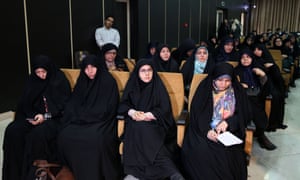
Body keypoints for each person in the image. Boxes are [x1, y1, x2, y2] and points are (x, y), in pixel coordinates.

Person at [2, 55, 71, 180]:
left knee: (38, 134)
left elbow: (64, 106)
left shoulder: (58, 79)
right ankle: (14, 175)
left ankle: (35, 174)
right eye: (37, 72)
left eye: (43, 72)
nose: (41, 75)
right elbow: (25, 104)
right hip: (34, 117)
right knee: (13, 130)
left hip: (55, 118)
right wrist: (33, 116)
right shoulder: (33, 81)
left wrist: (45, 116)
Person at [57, 54, 122, 180]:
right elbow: (73, 104)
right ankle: (73, 173)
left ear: (98, 67)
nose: (90, 71)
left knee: (95, 139)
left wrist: (86, 116)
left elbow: (108, 108)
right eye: (86, 68)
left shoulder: (108, 81)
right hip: (81, 121)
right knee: (65, 135)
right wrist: (79, 116)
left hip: (102, 121)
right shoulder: (82, 81)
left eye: (93, 67)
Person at [118, 59, 184, 180]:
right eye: (143, 71)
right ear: (137, 73)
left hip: (157, 124)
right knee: (139, 128)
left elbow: (165, 109)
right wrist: (132, 112)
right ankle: (171, 171)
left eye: (149, 70)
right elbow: (123, 105)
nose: (147, 74)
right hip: (135, 124)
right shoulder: (133, 86)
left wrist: (148, 115)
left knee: (143, 129)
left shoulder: (158, 86)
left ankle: (135, 173)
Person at [181, 62, 249, 180]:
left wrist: (228, 122)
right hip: (202, 130)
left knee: (228, 154)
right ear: (214, 78)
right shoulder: (204, 88)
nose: (223, 84)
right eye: (220, 80)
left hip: (228, 131)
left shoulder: (237, 91)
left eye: (227, 81)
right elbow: (197, 114)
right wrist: (207, 131)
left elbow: (245, 114)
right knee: (201, 151)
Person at [235, 49, 276, 150]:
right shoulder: (236, 70)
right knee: (251, 106)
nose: (245, 60)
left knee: (258, 107)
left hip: (258, 96)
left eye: (248, 57)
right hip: (243, 97)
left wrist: (262, 75)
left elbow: (266, 87)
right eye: (243, 58)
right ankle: (255, 135)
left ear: (252, 58)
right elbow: (231, 84)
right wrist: (239, 85)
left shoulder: (257, 68)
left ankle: (261, 135)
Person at [253, 44, 287, 131]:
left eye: (259, 49)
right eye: (255, 49)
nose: (256, 51)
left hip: (273, 83)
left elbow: (277, 76)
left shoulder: (268, 58)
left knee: (279, 95)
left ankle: (277, 122)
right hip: (262, 83)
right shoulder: (254, 60)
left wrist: (271, 66)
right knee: (274, 95)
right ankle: (270, 123)